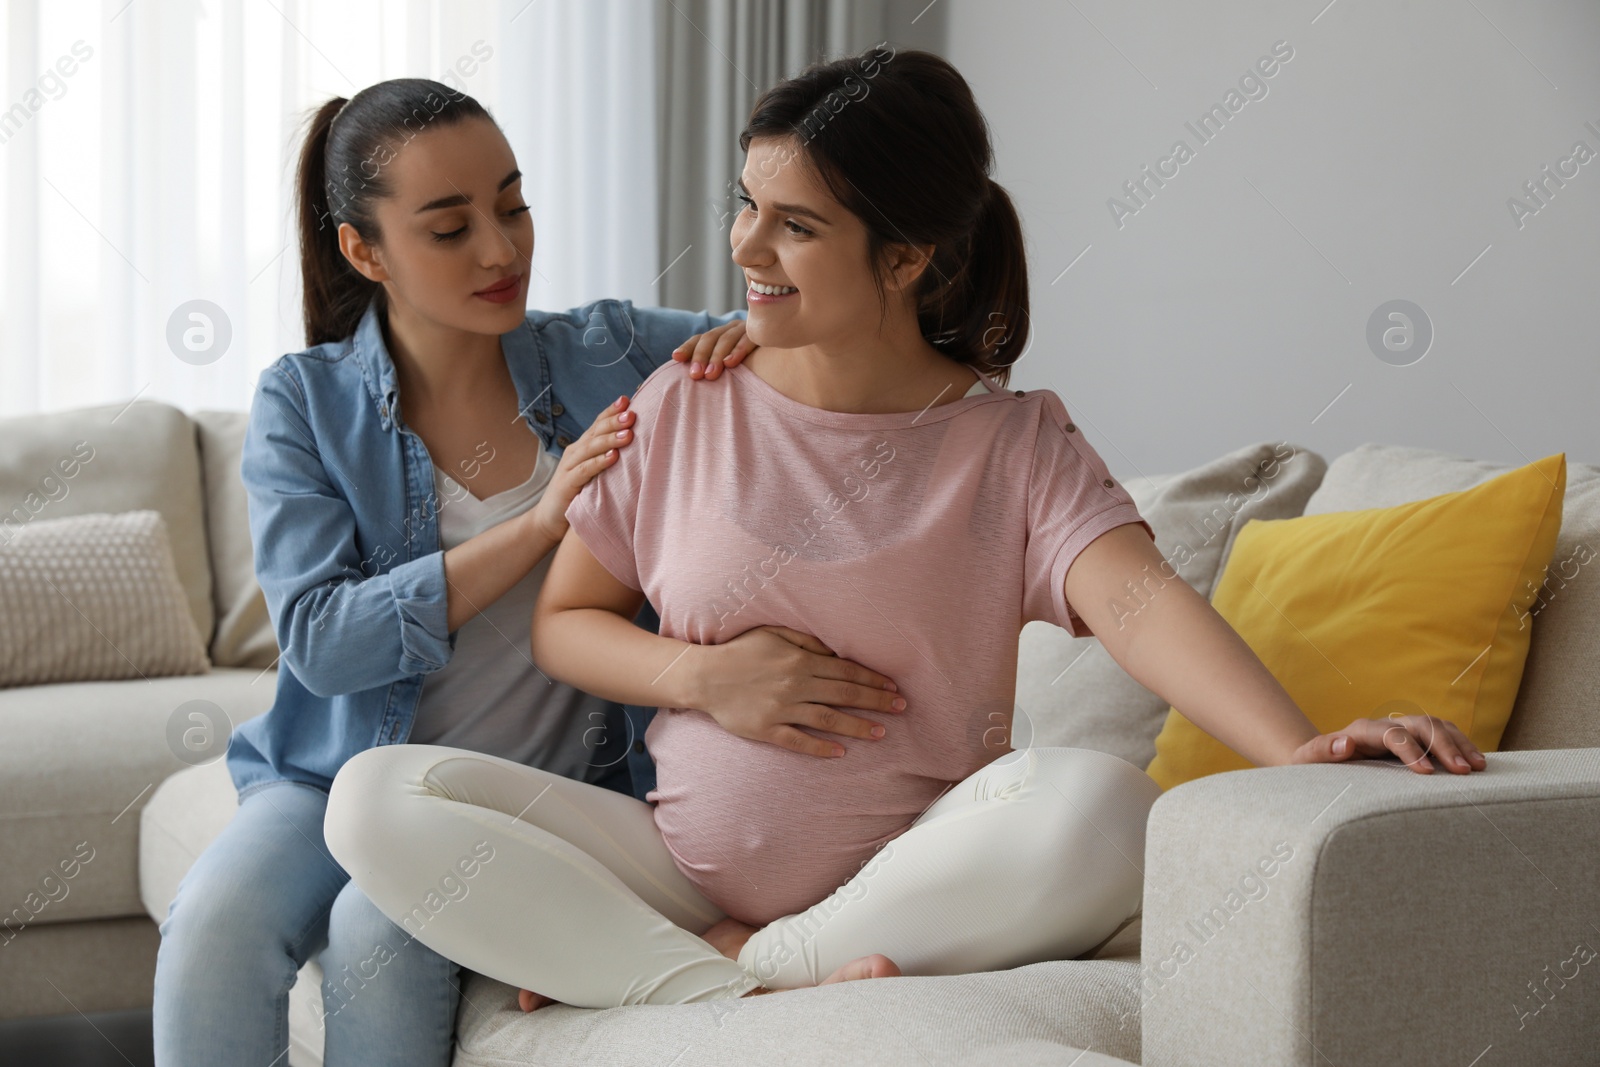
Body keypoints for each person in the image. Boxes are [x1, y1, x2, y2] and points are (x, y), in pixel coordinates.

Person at [322, 49, 1488, 1012]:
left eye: (793, 226)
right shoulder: (686, 399)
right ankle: (719, 980)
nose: (742, 248)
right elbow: (568, 623)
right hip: (677, 870)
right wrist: (701, 675)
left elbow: (1139, 602)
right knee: (372, 795)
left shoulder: (1011, 444)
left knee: (1101, 802)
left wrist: (1294, 749)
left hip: (910, 872)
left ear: (906, 256)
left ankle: (730, 971)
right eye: (745, 205)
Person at [151, 78, 901, 1066]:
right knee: (212, 925)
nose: (502, 251)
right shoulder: (305, 401)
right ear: (364, 249)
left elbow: (801, 327)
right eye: (450, 228)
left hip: (532, 790)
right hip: (329, 770)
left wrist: (756, 335)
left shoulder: (613, 350)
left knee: (382, 936)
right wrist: (543, 522)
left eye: (512, 205)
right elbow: (324, 644)